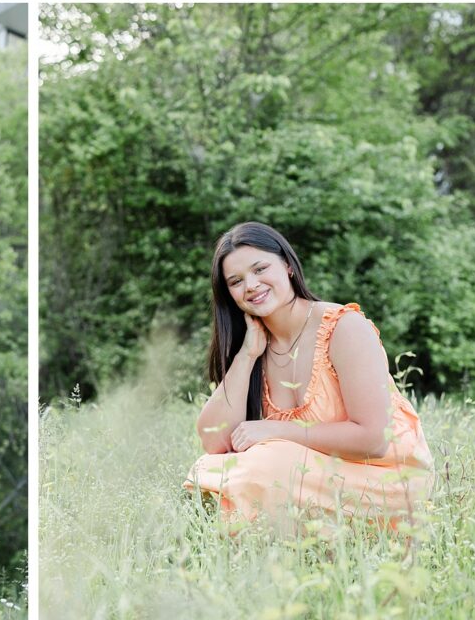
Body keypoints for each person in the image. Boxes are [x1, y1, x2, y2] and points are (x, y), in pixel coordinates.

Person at [183, 222, 434, 534]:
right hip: (312, 479)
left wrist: (274, 430)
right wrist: (246, 355)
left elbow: (374, 440)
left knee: (267, 462)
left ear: (287, 265)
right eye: (236, 281)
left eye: (260, 268)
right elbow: (213, 440)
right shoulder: (257, 346)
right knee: (208, 470)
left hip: (385, 480)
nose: (250, 285)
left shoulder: (344, 329)